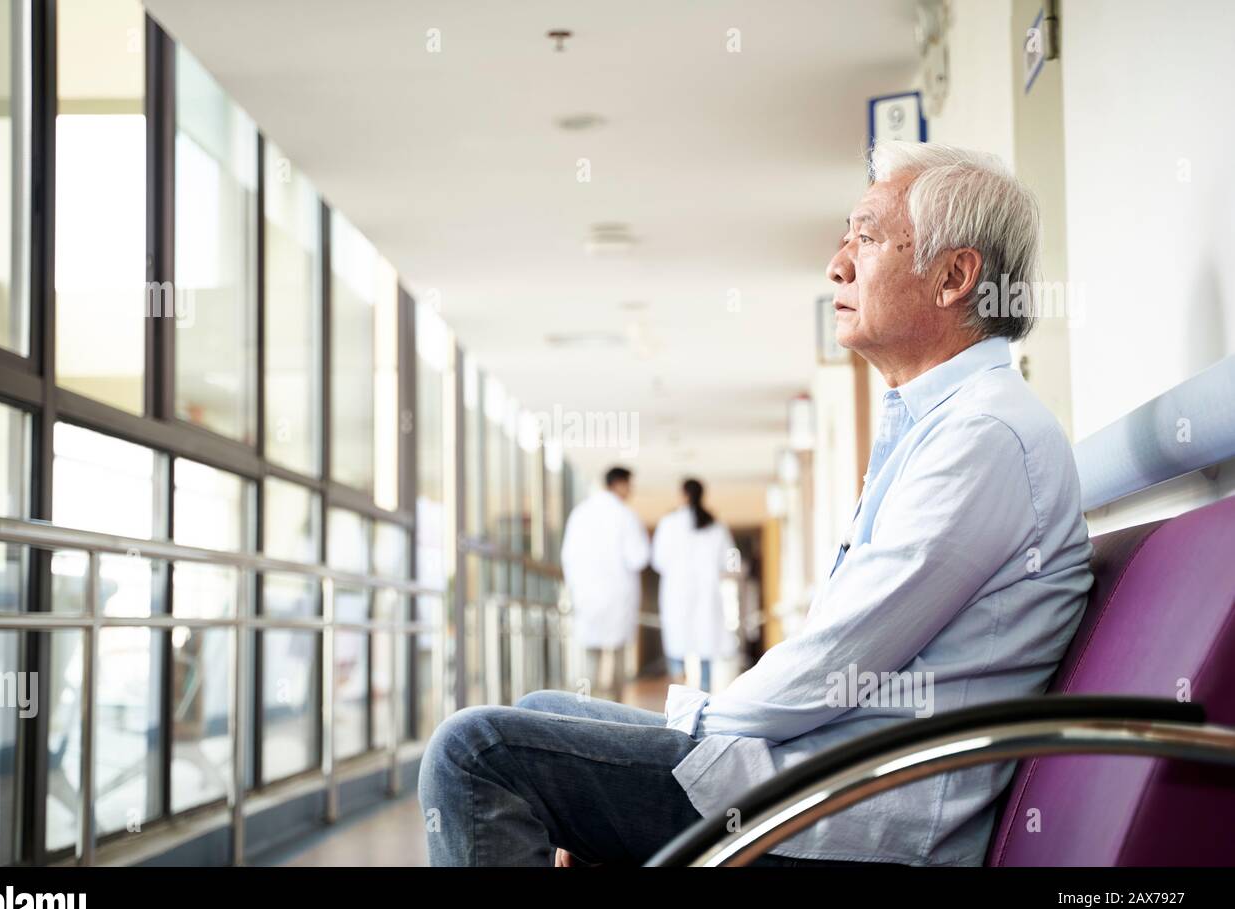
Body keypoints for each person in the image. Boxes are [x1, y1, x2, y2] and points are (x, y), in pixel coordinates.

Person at [418, 142, 1092, 867]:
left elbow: (837, 662)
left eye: (866, 237)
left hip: (856, 818)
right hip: (820, 774)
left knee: (474, 754)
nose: (838, 265)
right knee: (540, 713)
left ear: (955, 277)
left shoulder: (981, 435)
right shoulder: (947, 425)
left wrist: (697, 726)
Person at [557, 466, 649, 700]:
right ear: (618, 484)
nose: (631, 491)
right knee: (617, 655)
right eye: (629, 485)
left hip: (586, 595)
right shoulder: (625, 515)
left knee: (590, 653)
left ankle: (585, 707)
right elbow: (638, 558)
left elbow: (568, 555)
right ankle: (616, 707)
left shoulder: (580, 513)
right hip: (617, 594)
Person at [652, 479, 737, 693]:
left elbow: (658, 560)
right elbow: (729, 561)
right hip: (706, 593)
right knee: (705, 648)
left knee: (677, 643)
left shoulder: (668, 523)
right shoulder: (716, 526)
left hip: (676, 592)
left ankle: (679, 692)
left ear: (682, 495)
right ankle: (704, 697)